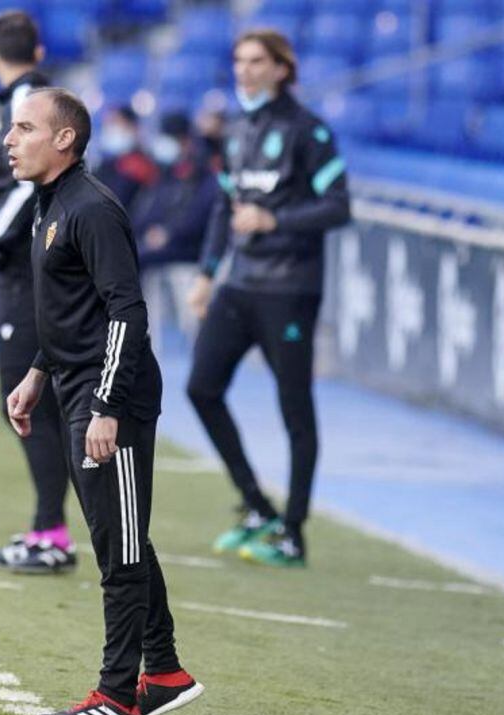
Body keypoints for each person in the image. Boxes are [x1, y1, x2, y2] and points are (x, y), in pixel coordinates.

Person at [4, 88, 202, 715]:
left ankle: (117, 697)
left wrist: (107, 406)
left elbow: (127, 311)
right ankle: (165, 670)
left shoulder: (91, 208)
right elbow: (70, 309)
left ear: (65, 139)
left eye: (25, 128)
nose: (10, 139)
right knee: (120, 533)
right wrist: (37, 373)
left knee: (117, 546)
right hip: (74, 387)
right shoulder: (49, 205)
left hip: (110, 396)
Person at [186, 29, 351, 567]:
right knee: (201, 388)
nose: (245, 70)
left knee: (294, 409)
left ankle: (294, 532)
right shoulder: (236, 129)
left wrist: (274, 218)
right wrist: (208, 273)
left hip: (290, 289)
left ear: (282, 68)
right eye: (238, 60)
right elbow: (223, 208)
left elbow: (339, 207)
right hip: (241, 283)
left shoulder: (308, 130)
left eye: (257, 61)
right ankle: (257, 506)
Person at [0, 11, 76, 573]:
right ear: (36, 49)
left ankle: (52, 533)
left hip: (27, 273)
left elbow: (23, 183)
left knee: (28, 405)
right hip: (31, 269)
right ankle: (46, 527)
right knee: (36, 405)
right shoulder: (32, 97)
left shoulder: (28, 101)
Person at [134, 110, 218, 347]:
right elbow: (154, 209)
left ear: (185, 140)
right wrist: (144, 230)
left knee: (137, 257)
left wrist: (168, 233)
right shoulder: (169, 172)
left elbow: (200, 215)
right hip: (166, 243)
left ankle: (130, 321)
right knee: (126, 250)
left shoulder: (203, 173)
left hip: (192, 247)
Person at [93, 105, 157, 213]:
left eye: (115, 123)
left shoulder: (141, 165)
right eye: (108, 125)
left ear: (133, 128)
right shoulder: (106, 164)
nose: (110, 129)